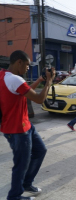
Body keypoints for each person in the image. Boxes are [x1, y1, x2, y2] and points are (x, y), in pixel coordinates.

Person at [0, 50, 55, 200]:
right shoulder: (15, 80)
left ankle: (26, 183)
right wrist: (49, 83)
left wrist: (39, 80)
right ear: (19, 62)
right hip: (17, 130)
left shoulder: (5, 76)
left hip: (25, 125)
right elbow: (39, 99)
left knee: (40, 150)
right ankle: (14, 196)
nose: (27, 68)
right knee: (21, 164)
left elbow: (24, 90)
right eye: (27, 65)